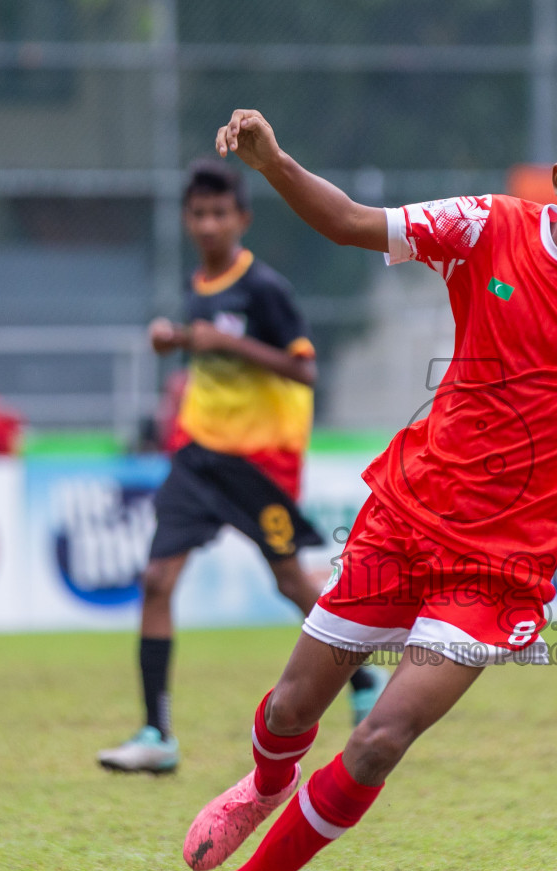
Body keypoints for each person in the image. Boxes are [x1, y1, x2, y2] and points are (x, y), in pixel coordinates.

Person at [186, 94, 557, 871]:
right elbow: (354, 222)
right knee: (291, 707)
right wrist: (274, 162)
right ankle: (265, 782)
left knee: (380, 737)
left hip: (501, 570)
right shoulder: (486, 228)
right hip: (407, 518)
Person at [97, 159, 386, 774]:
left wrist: (227, 344)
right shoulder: (195, 285)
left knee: (291, 582)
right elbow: (205, 349)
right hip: (199, 457)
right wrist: (174, 341)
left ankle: (363, 677)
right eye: (198, 213)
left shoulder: (265, 289)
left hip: (259, 466)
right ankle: (157, 733)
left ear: (242, 219)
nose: (208, 223)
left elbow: (304, 369)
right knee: (155, 581)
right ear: (187, 219)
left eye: (219, 212)